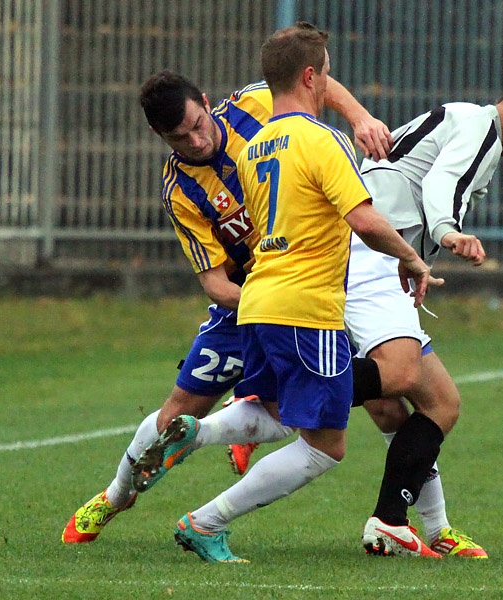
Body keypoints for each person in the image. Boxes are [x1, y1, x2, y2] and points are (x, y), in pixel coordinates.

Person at [60, 61, 397, 544]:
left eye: (198, 125)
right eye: (180, 138)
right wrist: (269, 301)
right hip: (245, 307)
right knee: (176, 413)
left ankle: (230, 427)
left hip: (293, 296)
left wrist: (359, 116)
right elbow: (215, 283)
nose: (196, 142)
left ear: (206, 101)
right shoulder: (181, 190)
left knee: (290, 417)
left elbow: (315, 80)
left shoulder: (254, 103)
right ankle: (115, 496)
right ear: (161, 137)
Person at [167, 21, 431, 563]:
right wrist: (410, 256)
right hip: (307, 308)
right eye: (327, 72)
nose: (329, 80)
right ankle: (205, 520)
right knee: (326, 446)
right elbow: (362, 219)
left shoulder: (253, 147)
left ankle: (202, 429)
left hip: (258, 301)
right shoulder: (323, 139)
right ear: (311, 77)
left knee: (278, 409)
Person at [354, 69, 503, 554]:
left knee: (392, 407)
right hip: (362, 266)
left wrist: (415, 265)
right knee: (438, 402)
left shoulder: (468, 125)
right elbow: (440, 183)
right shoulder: (480, 126)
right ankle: (273, 402)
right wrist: (449, 233)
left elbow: (406, 184)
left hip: (370, 265)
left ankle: (420, 527)